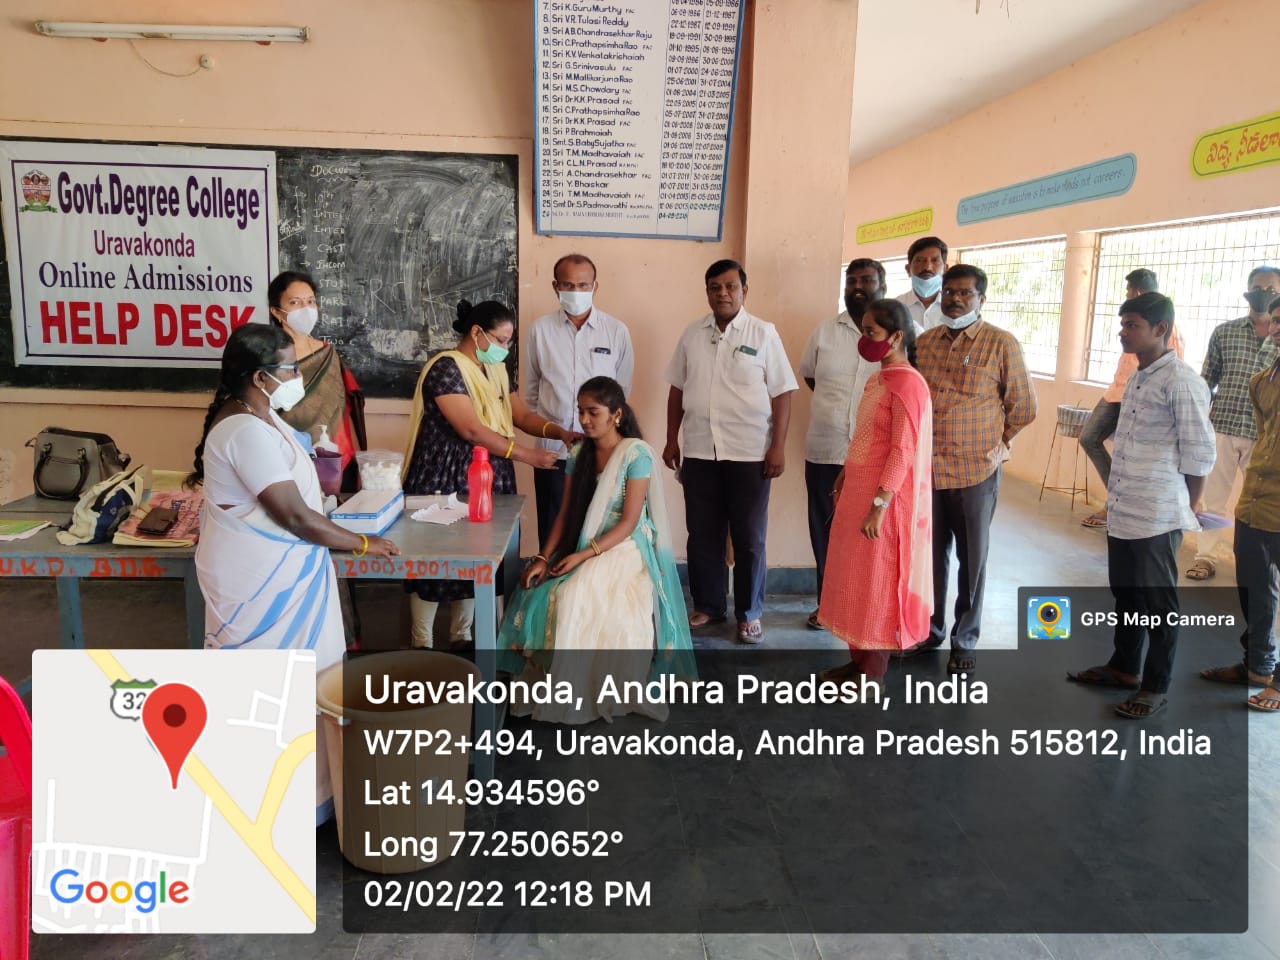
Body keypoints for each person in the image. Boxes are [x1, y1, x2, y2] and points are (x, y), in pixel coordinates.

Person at [186, 324, 398, 802]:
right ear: (260, 377)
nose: (296, 377)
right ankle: (264, 798)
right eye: (288, 369)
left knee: (308, 680)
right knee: (269, 685)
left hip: (286, 571)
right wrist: (361, 543)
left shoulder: (261, 416)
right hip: (260, 580)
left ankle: (311, 792)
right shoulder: (243, 430)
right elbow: (295, 516)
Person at [498, 377, 696, 722]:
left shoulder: (635, 454)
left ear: (616, 414)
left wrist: (582, 555)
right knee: (537, 589)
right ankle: (560, 682)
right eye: (580, 411)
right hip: (586, 538)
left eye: (593, 412)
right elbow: (564, 514)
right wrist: (543, 558)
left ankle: (586, 689)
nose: (584, 420)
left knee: (577, 592)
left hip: (625, 544)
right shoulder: (579, 453)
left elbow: (629, 522)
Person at [1067, 293, 1215, 718]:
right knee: (1127, 595)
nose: (1122, 332)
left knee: (1158, 605)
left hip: (1157, 514)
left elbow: (1200, 452)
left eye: (1131, 324)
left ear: (1160, 328)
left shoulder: (1182, 382)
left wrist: (1189, 504)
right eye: (1122, 324)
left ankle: (1155, 686)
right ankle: (1124, 668)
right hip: (1125, 509)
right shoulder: (1138, 376)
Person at [401, 300, 566, 648]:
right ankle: (422, 642)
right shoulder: (446, 368)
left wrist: (559, 432)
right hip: (445, 476)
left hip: (489, 472)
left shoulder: (496, 370)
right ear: (477, 332)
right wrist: (528, 455)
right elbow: (471, 430)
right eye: (501, 340)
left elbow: (521, 416)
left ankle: (462, 636)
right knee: (434, 560)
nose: (505, 348)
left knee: (478, 557)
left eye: (509, 341)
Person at [663, 259, 799, 644]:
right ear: (707, 292)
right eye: (714, 287)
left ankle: (749, 612)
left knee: (749, 537)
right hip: (700, 451)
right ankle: (708, 604)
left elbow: (782, 393)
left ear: (744, 290)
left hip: (750, 454)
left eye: (730, 286)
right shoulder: (692, 334)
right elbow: (676, 389)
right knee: (702, 534)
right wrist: (672, 439)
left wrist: (777, 447)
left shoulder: (763, 333)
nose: (722, 293)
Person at [911, 264, 1037, 673]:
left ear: (982, 298)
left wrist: (996, 445)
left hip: (975, 473)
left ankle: (964, 640)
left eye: (965, 293)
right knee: (930, 558)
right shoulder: (924, 343)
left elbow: (1024, 407)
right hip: (929, 471)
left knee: (973, 559)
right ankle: (929, 630)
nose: (955, 299)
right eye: (950, 292)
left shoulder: (1001, 343)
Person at [817, 299, 933, 690]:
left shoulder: (908, 385)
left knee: (877, 585)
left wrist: (879, 506)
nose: (864, 339)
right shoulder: (879, 378)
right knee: (854, 579)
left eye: (872, 332)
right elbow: (868, 437)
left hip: (883, 503)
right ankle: (857, 662)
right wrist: (845, 474)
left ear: (896, 337)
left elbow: (901, 451)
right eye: (863, 330)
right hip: (858, 494)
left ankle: (873, 675)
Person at [799, 258, 898, 630]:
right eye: (851, 280)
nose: (858, 286)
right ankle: (827, 606)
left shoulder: (902, 333)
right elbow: (810, 376)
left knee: (873, 532)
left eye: (866, 280)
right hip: (826, 449)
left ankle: (867, 608)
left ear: (882, 285)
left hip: (877, 458)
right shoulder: (824, 332)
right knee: (824, 530)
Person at [1199, 294, 1280, 709]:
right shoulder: (1261, 381)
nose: (1276, 328)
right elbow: (1266, 436)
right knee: (1253, 588)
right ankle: (1258, 664)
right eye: (1276, 321)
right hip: (1254, 503)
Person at [526, 254, 634, 546]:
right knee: (553, 529)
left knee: (596, 530)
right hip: (553, 454)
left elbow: (621, 393)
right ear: (555, 286)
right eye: (568, 285)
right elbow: (532, 393)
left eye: (583, 285)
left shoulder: (616, 331)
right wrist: (549, 431)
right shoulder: (539, 330)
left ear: (595, 286)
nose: (576, 292)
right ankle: (550, 576)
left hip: (602, 453)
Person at [1187, 265, 1280, 579]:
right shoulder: (1225, 332)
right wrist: (1197, 424)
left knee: (1263, 504)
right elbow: (1207, 380)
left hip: (1265, 437)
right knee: (1213, 500)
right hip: (1223, 427)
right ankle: (1205, 558)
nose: (1263, 294)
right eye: (1258, 288)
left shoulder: (1278, 336)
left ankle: (1264, 566)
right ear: (1247, 290)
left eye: (1271, 290)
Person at [267, 271, 367, 491]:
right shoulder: (268, 357)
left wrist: (360, 460)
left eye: (310, 301)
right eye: (295, 302)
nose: (306, 309)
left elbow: (346, 410)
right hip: (285, 461)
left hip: (334, 460)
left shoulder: (327, 354)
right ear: (276, 311)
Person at [895, 236, 948, 331]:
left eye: (934, 260)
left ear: (945, 269)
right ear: (908, 269)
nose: (927, 267)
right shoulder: (895, 307)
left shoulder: (955, 307)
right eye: (919, 260)